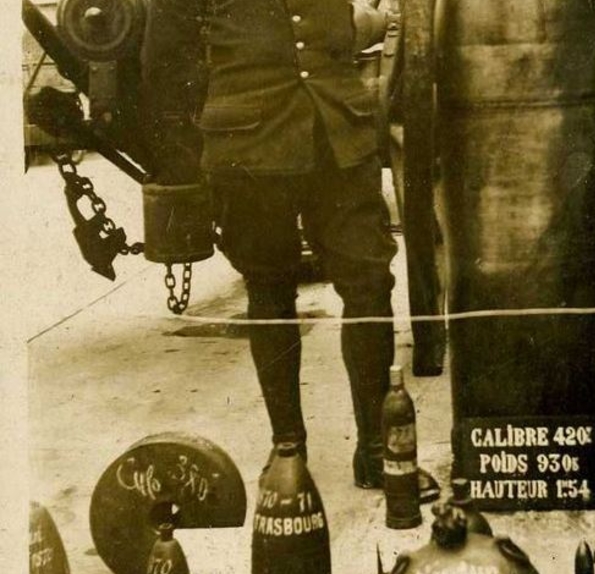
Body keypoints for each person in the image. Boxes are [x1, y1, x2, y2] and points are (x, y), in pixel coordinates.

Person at [140, 0, 439, 500]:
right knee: (270, 289)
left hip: (338, 133)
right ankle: (287, 449)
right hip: (248, 148)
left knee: (369, 281)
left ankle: (375, 449)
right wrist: (207, 142)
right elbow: (164, 64)